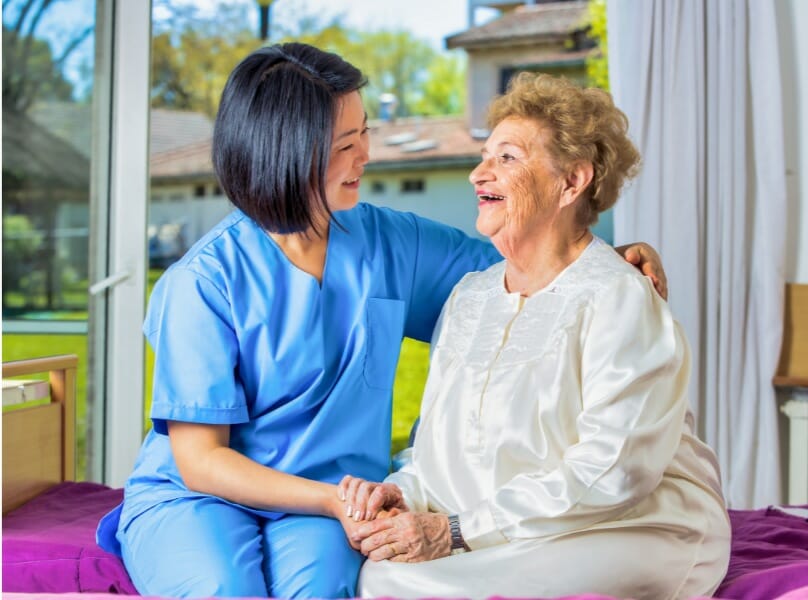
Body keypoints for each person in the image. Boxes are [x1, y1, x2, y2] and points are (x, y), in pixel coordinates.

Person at [95, 44, 667, 599]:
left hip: (334, 501)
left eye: (364, 132)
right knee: (225, 590)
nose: (366, 154)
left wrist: (611, 260)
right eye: (347, 144)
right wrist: (331, 501)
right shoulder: (204, 282)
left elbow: (532, 262)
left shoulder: (393, 242)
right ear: (290, 154)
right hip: (204, 498)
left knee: (323, 591)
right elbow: (201, 460)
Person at [342, 72, 731, 600]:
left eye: (508, 157)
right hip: (496, 526)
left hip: (628, 524)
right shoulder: (470, 296)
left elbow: (614, 472)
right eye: (484, 155)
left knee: (411, 585)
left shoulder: (620, 296)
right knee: (382, 573)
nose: (480, 172)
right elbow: (435, 446)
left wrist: (455, 532)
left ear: (571, 182)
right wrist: (403, 493)